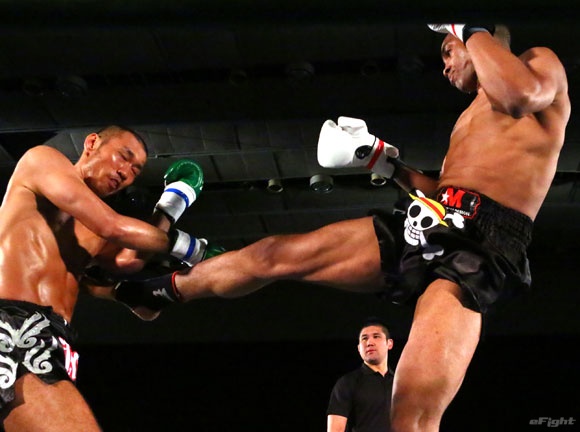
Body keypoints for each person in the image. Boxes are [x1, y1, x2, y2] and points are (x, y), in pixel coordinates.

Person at [114, 23, 570, 431]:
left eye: (448, 52)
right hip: (434, 220)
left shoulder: (538, 64)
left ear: (474, 38)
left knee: (410, 414)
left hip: (482, 247)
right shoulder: (470, 115)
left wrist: (468, 25)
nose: (445, 66)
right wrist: (381, 160)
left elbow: (518, 97)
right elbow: (446, 190)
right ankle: (157, 294)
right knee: (273, 254)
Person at [0, 125, 213, 431]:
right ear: (92, 143)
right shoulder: (42, 160)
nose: (125, 172)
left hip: (54, 339)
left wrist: (171, 205)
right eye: (123, 156)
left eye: (135, 170)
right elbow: (113, 226)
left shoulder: (91, 228)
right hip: (13, 326)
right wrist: (193, 249)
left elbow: (129, 259)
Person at [327, 318, 394, 432]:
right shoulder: (347, 383)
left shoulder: (400, 383)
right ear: (359, 348)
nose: (369, 343)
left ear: (389, 343)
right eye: (364, 338)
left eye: (376, 336)